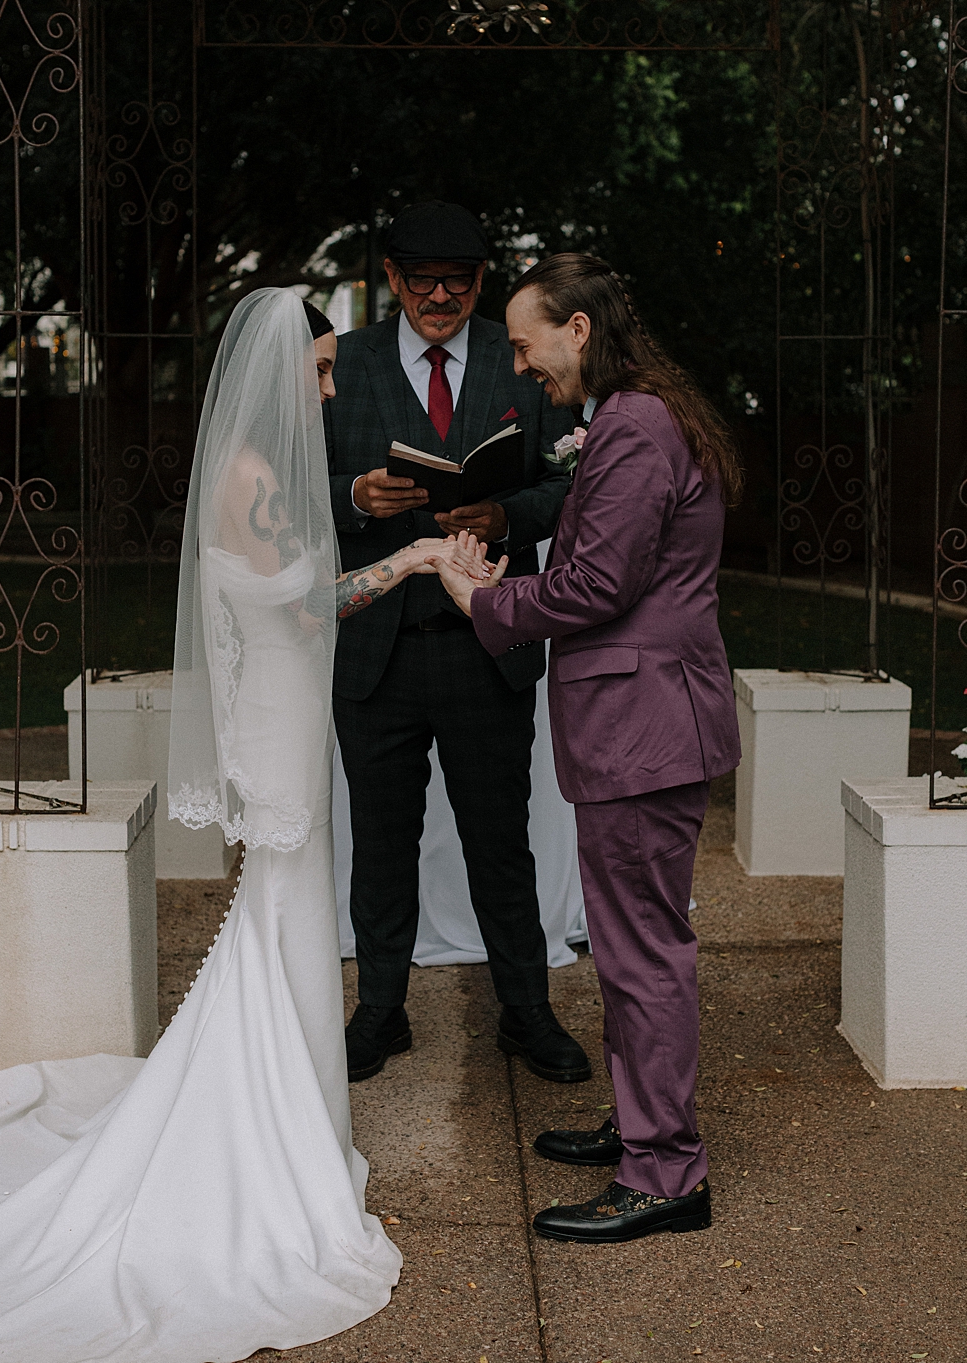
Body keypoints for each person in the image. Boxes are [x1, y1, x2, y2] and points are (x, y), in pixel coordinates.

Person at [0, 289, 484, 1360]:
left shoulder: (268, 473)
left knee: (284, 907)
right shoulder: (248, 479)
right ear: (281, 370)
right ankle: (267, 1133)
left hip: (289, 711)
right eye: (320, 371)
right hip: (280, 723)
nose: (330, 386)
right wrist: (418, 560)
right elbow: (300, 607)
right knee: (281, 902)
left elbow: (306, 596)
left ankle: (291, 1118)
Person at [429, 252, 742, 1245]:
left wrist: (481, 597)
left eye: (525, 345)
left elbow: (594, 587)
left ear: (577, 328)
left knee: (642, 954)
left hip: (642, 725)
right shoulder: (638, 415)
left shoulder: (636, 428)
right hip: (643, 717)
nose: (523, 366)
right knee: (626, 945)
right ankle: (641, 1125)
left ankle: (663, 1173)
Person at [322, 199, 590, 1086]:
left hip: (488, 641)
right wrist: (356, 496)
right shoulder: (346, 361)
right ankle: (380, 1012)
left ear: (481, 281)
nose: (440, 295)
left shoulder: (521, 364)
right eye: (421, 278)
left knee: (498, 840)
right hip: (378, 651)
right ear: (390, 277)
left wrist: (506, 512)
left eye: (459, 280)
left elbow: (572, 484)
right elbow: (280, 486)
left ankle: (526, 1012)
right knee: (382, 843)